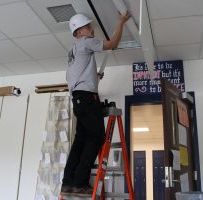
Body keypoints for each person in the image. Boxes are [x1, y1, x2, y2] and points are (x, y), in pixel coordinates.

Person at [61, 12, 131, 194]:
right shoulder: (85, 42)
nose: (91, 29)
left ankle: (68, 182)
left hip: (78, 99)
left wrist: (94, 77)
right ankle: (80, 183)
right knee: (97, 137)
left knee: (81, 140)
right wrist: (121, 22)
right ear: (78, 32)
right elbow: (112, 45)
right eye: (87, 27)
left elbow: (74, 76)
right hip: (86, 98)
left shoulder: (73, 51)